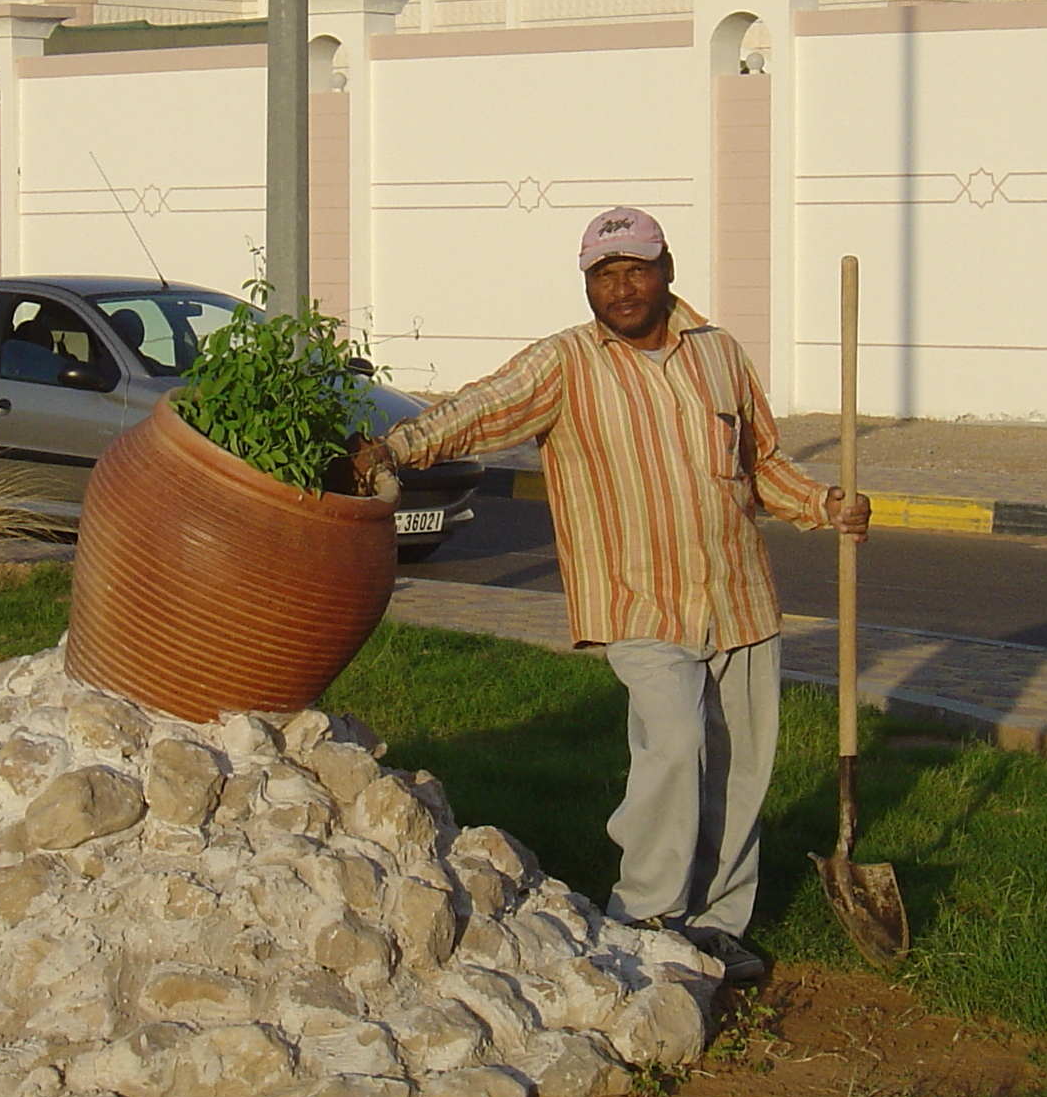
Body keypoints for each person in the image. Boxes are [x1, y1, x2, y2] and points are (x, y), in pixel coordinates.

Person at [351, 205, 869, 984]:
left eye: (635, 270)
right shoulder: (566, 363)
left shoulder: (720, 354)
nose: (622, 289)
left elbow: (760, 460)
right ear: (588, 284)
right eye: (605, 276)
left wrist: (827, 505)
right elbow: (480, 408)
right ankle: (648, 915)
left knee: (741, 763)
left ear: (667, 270)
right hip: (637, 598)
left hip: (738, 594)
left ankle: (718, 923)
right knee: (673, 747)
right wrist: (395, 445)